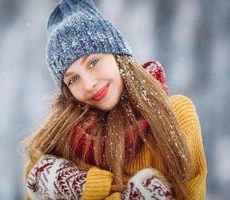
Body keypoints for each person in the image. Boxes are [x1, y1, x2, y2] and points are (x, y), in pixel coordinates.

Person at [21, 0, 207, 199]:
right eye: (73, 79)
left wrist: (86, 192)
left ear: (118, 55)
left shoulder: (177, 114)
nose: (89, 84)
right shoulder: (63, 138)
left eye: (93, 62)